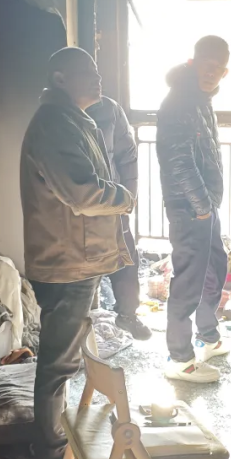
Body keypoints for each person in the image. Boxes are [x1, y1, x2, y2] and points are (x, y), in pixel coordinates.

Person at [20, 47, 135, 459]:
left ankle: (61, 437)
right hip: (66, 261)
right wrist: (126, 199)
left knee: (67, 354)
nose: (98, 77)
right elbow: (84, 194)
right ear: (60, 78)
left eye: (97, 69)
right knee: (59, 361)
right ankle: (52, 451)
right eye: (87, 71)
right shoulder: (55, 123)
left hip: (75, 257)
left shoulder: (73, 119)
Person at [157, 35, 231, 383]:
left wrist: (208, 205)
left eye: (218, 68)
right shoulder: (180, 101)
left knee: (214, 268)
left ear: (225, 72)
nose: (211, 72)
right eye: (206, 65)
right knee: (188, 281)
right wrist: (202, 206)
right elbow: (179, 161)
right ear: (194, 63)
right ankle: (180, 359)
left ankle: (207, 336)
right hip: (189, 207)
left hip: (204, 204)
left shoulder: (201, 100)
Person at [86, 96, 152, 340]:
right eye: (89, 76)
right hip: (80, 207)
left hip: (113, 201)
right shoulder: (59, 113)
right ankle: (79, 324)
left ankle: (127, 315)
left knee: (126, 258)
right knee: (84, 268)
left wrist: (129, 198)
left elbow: (128, 156)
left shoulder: (110, 109)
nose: (96, 80)